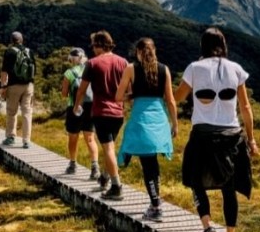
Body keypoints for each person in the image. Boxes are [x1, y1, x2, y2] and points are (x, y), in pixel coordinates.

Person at [174, 27, 259, 232]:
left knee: (195, 180)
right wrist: (251, 140)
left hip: (202, 133)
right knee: (229, 189)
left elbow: (177, 97)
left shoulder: (194, 68)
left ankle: (208, 228)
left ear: (202, 45)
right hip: (231, 135)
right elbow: (246, 107)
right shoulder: (236, 69)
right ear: (223, 45)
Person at [115, 37, 178, 222]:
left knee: (147, 164)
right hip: (159, 120)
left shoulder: (131, 68)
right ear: (154, 51)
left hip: (141, 119)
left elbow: (119, 96)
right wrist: (175, 124)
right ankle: (155, 203)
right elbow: (171, 100)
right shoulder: (164, 69)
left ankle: (156, 205)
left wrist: (135, 94)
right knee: (153, 163)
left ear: (138, 52)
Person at [73, 30, 127, 200]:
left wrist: (76, 106)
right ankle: (104, 177)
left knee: (108, 148)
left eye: (94, 46)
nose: (92, 49)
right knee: (110, 148)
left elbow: (82, 89)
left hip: (101, 111)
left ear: (98, 45)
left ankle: (116, 186)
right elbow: (128, 89)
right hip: (118, 112)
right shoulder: (123, 62)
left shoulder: (92, 63)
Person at [61, 47, 100, 179]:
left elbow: (64, 94)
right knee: (90, 138)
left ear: (72, 59)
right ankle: (95, 167)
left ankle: (73, 164)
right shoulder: (92, 70)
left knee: (73, 137)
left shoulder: (69, 73)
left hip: (74, 107)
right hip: (90, 107)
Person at [0, 31, 35, 148]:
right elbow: (34, 71)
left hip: (14, 86)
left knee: (11, 112)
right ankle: (26, 141)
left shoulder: (9, 52)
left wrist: (3, 86)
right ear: (22, 40)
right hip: (28, 86)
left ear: (11, 40)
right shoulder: (29, 51)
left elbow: (4, 72)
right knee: (27, 113)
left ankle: (10, 137)